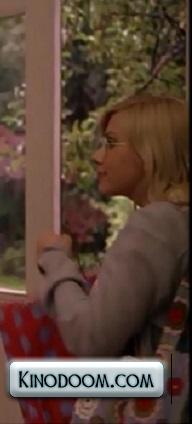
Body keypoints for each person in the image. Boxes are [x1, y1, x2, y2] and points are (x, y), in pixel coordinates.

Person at [34, 94, 188, 357]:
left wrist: (54, 258)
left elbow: (90, 337)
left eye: (111, 143)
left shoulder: (156, 225)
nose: (97, 156)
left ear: (152, 151)